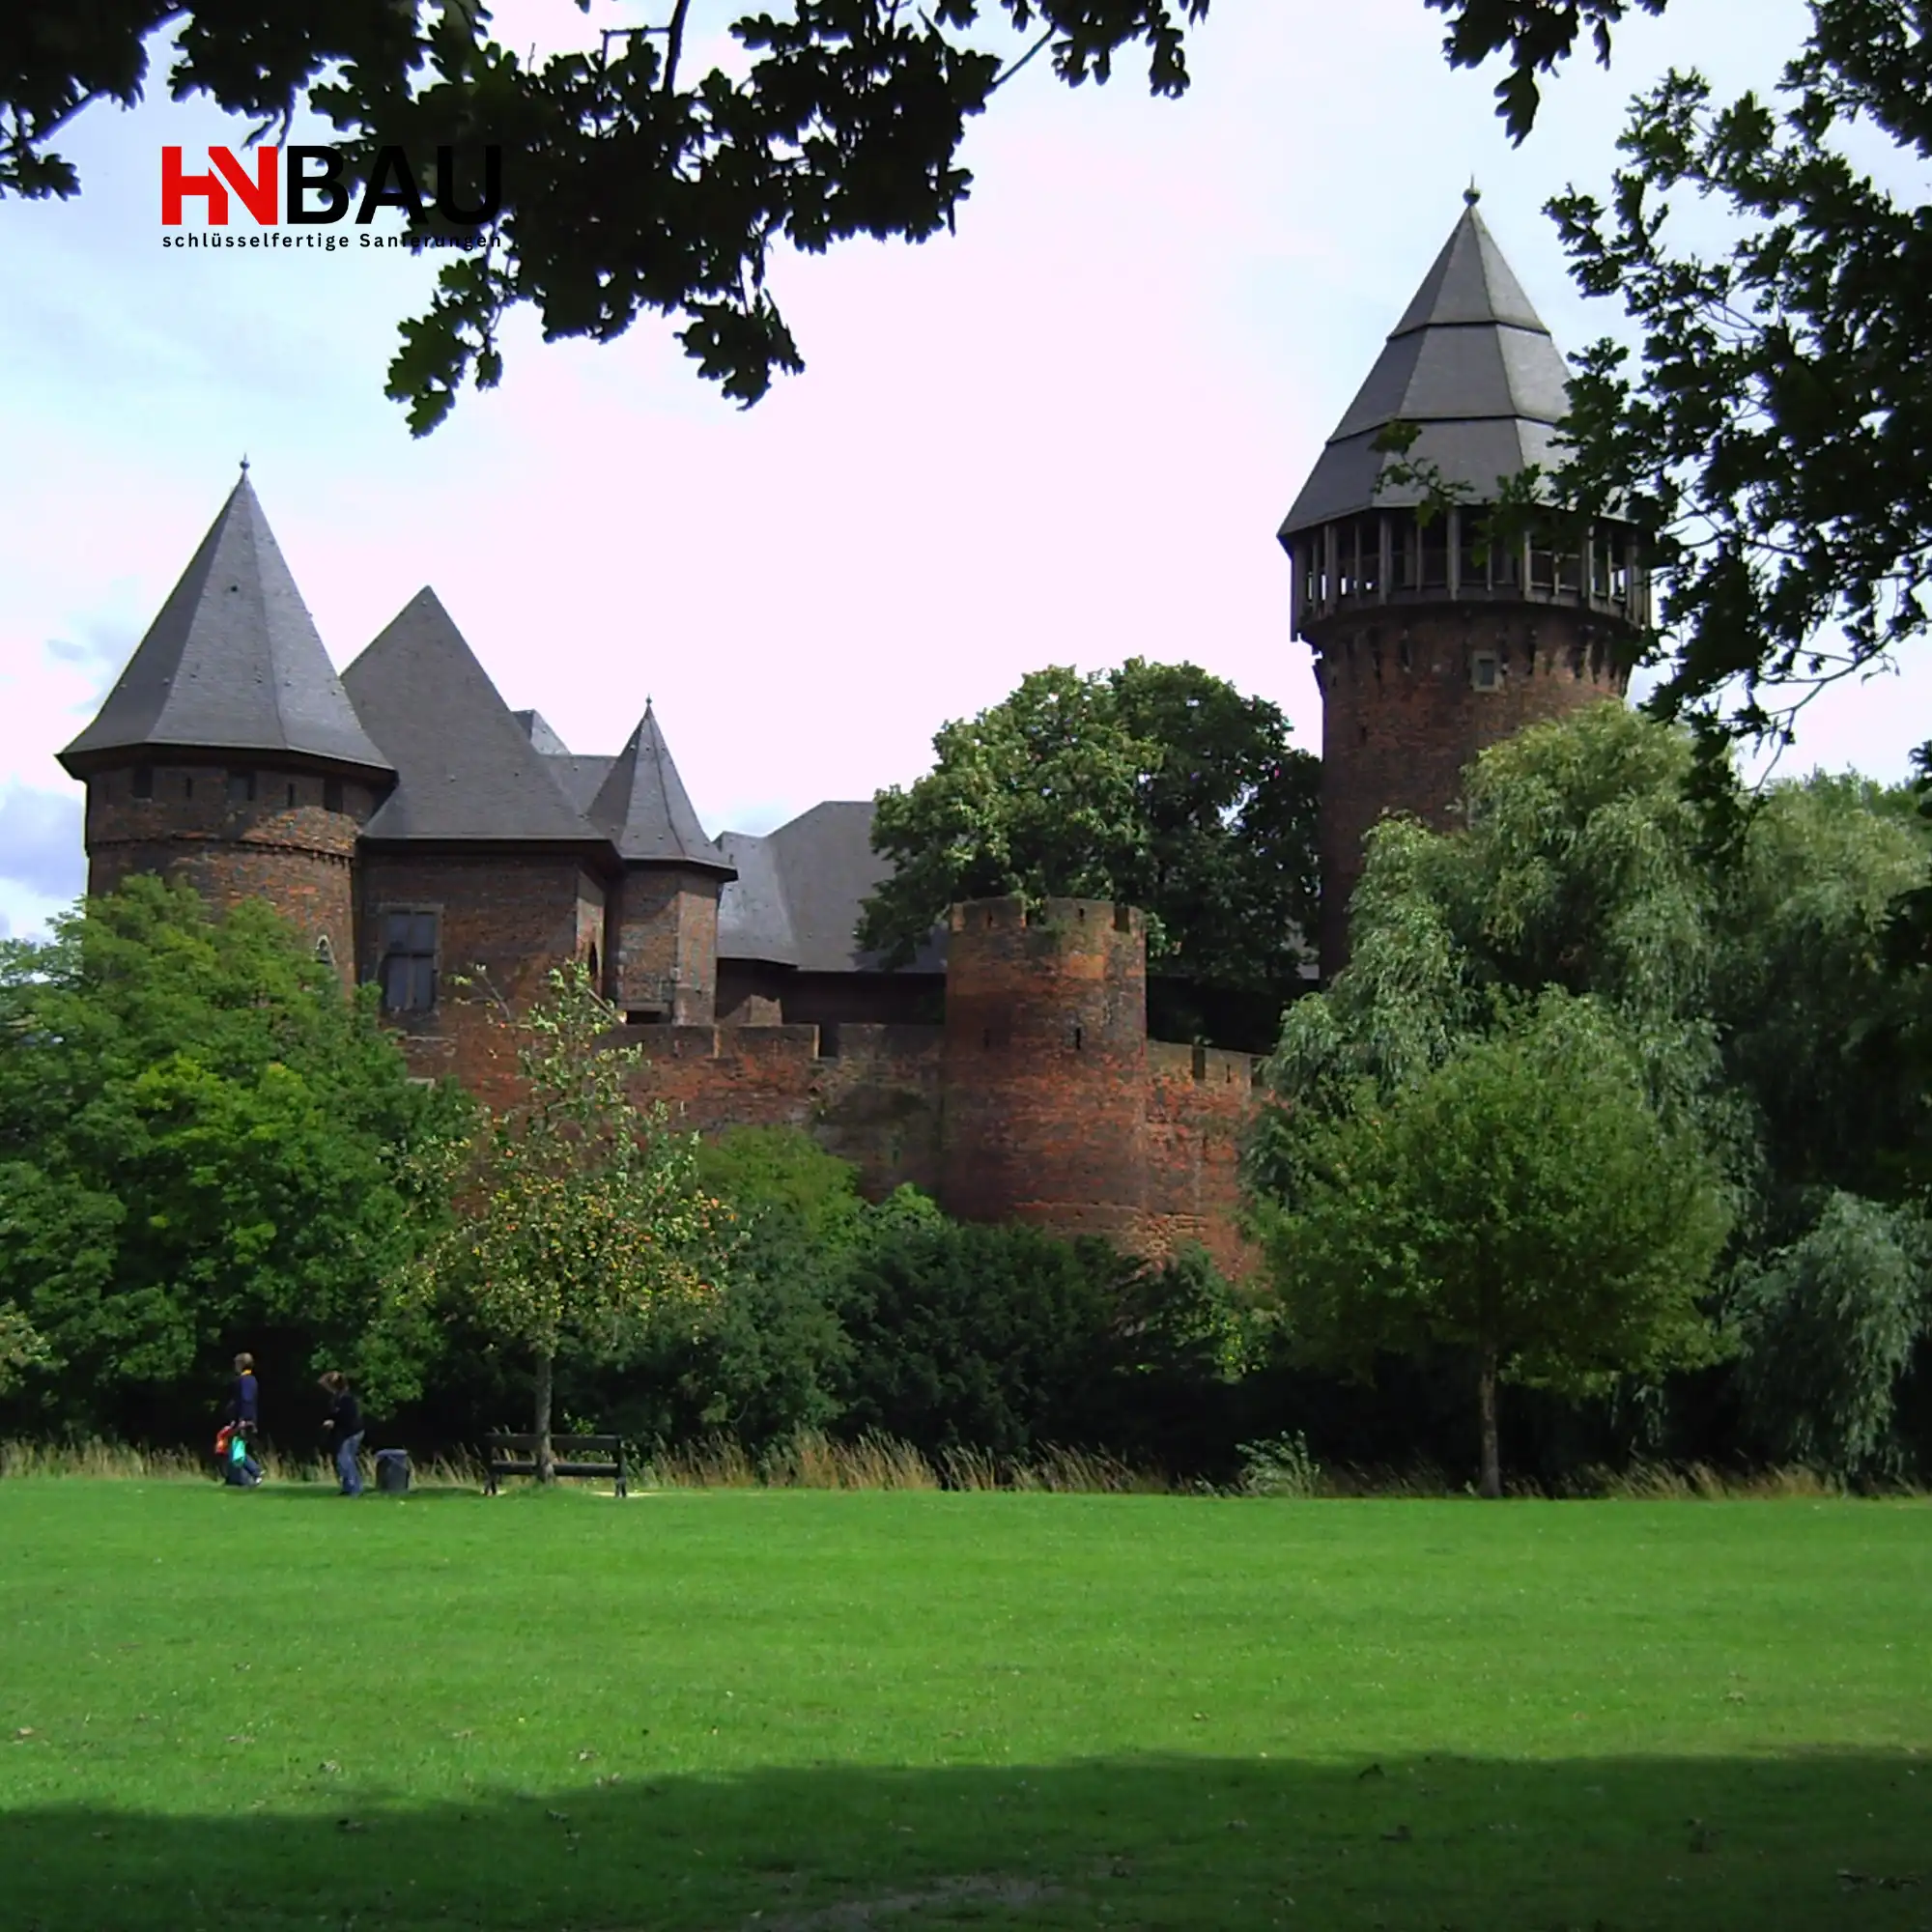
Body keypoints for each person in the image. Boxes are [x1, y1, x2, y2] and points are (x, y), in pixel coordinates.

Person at [319, 1371, 363, 1497]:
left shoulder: (345, 1398)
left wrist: (333, 1421)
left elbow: (347, 1416)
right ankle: (348, 1487)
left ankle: (355, 1488)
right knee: (343, 1460)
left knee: (345, 1460)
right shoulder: (338, 1397)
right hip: (345, 1431)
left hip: (351, 1432)